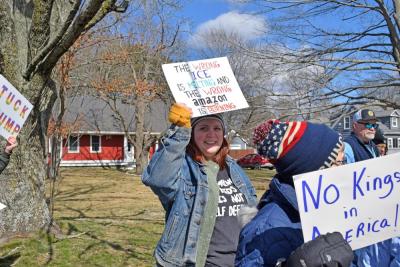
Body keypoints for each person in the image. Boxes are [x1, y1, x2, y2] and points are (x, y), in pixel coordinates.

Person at [142, 103, 257, 267]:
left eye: (217, 128)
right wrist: (179, 131)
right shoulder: (184, 168)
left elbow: (251, 209)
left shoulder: (233, 167)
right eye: (203, 128)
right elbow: (158, 179)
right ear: (192, 134)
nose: (212, 134)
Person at [235, 119, 346, 267]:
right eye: (338, 163)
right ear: (313, 170)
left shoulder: (329, 207)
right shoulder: (264, 230)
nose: (345, 169)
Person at [344, 109, 399, 267]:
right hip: (357, 217)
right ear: (355, 126)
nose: (372, 127)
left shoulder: (373, 147)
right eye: (367, 124)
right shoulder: (348, 147)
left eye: (374, 124)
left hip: (375, 214)